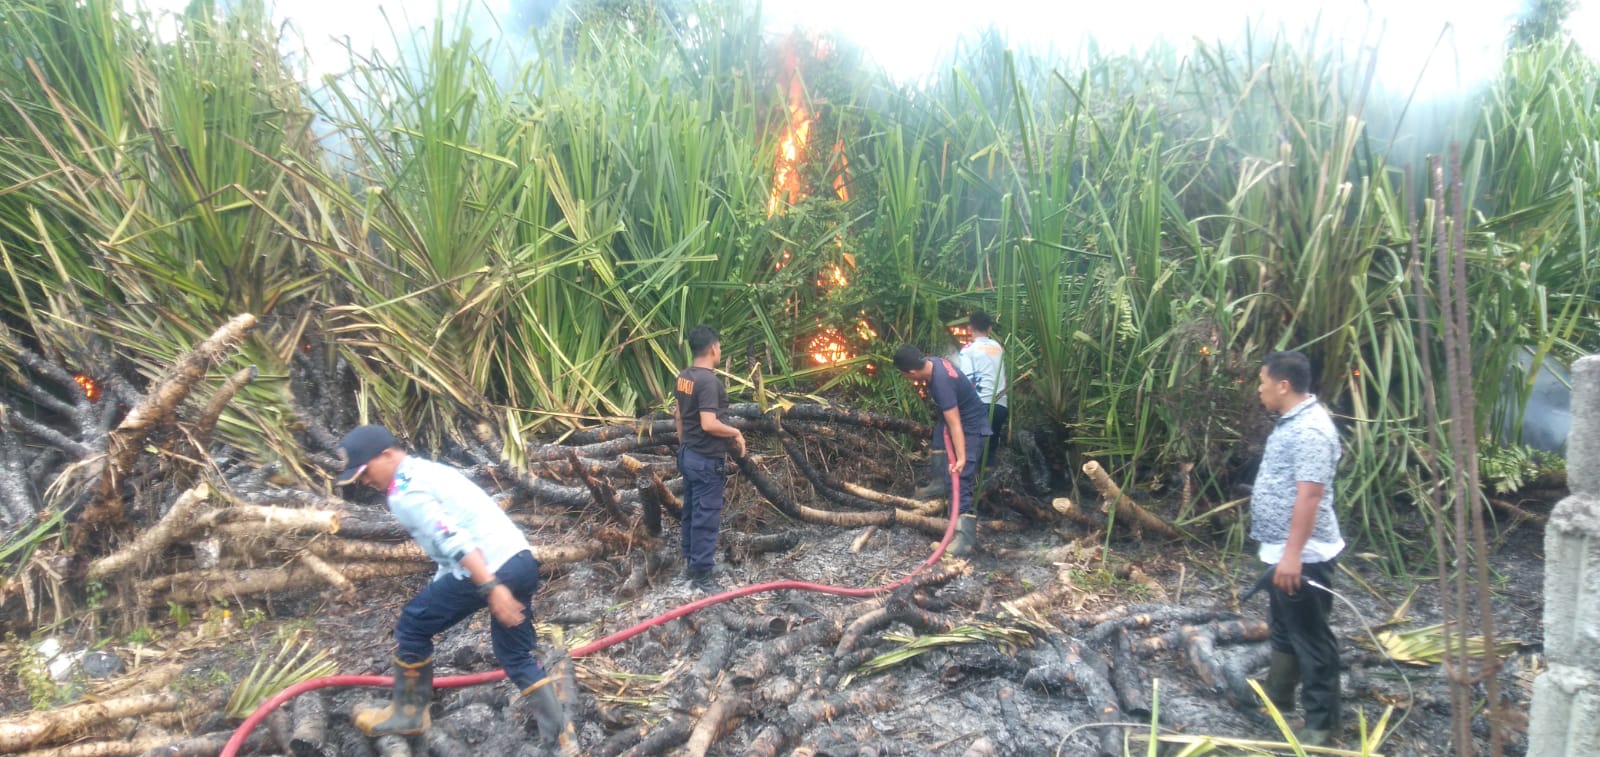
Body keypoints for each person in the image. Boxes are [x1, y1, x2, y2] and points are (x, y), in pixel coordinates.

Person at [334, 425, 577, 755]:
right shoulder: (430, 471)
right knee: (516, 654)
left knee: (412, 626)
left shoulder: (404, 493)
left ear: (386, 455)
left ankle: (408, 714)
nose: (364, 481)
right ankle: (559, 740)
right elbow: (455, 543)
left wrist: (492, 587)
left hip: (488, 568)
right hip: (520, 559)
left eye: (364, 472)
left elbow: (453, 538)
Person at [1251, 351, 1344, 746]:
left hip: (1302, 556)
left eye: (1262, 381)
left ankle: (1323, 725)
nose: (1260, 389)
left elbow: (1310, 497)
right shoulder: (1293, 421)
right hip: (1283, 550)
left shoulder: (1310, 430)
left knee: (1312, 637)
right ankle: (1280, 693)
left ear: (1283, 385)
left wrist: (1292, 556)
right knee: (1286, 627)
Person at [893, 343, 991, 556]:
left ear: (911, 372)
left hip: (971, 428)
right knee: (945, 453)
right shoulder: (933, 363)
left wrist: (961, 456)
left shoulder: (941, 384)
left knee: (960, 476)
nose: (906, 379)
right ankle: (939, 486)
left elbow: (955, 423)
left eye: (904, 375)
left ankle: (964, 540)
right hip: (961, 423)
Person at [674, 325, 746, 593]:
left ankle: (691, 563)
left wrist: (684, 445)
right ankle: (702, 574)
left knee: (691, 511)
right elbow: (708, 423)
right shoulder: (709, 382)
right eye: (720, 347)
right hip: (705, 458)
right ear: (714, 348)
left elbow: (679, 415)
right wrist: (735, 432)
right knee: (706, 515)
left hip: (689, 454)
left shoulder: (684, 377)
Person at [956, 310, 1008, 464]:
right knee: (990, 450)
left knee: (972, 450)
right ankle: (988, 483)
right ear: (990, 329)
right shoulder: (998, 348)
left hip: (980, 406)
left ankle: (972, 485)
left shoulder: (968, 350)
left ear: (970, 328)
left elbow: (965, 379)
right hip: (1001, 406)